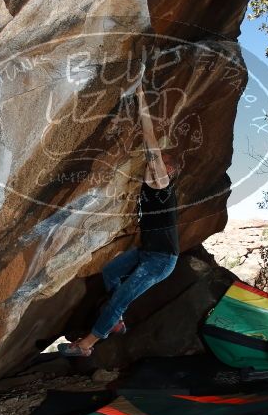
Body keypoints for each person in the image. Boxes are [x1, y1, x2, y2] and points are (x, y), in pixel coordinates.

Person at [58, 83, 180, 357]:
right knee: (111, 273)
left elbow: (150, 139)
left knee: (119, 298)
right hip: (147, 252)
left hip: (160, 260)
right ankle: (117, 322)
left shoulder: (162, 183)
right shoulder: (152, 186)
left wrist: (140, 98)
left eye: (162, 160)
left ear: (168, 170)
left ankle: (86, 346)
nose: (156, 161)